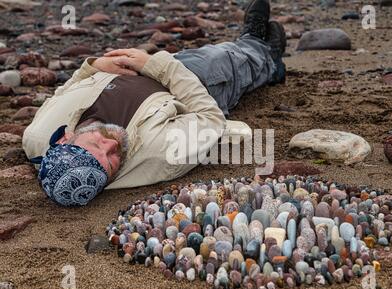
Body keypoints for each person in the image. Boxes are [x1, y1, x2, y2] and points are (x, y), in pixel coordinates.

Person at [23, 0, 287, 207]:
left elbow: (63, 91)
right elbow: (211, 118)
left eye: (95, 145)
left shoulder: (37, 135)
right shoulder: (163, 154)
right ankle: (262, 51)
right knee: (224, 59)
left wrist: (93, 65)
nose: (112, 146)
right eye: (113, 162)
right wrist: (158, 66)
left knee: (205, 53)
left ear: (64, 139)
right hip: (188, 85)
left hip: (142, 70)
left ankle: (257, 52)